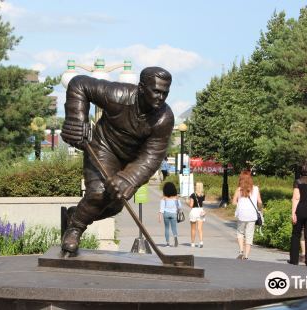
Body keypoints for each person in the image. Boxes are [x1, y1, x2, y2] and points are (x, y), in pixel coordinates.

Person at [60, 67, 174, 255]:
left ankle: (75, 215)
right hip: (104, 147)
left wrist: (130, 178)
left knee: (115, 205)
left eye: (165, 93)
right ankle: (75, 228)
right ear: (141, 87)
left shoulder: (164, 118)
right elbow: (79, 84)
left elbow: (153, 155)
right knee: (99, 192)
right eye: (156, 91)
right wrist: (77, 118)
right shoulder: (117, 94)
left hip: (131, 161)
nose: (161, 97)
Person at [232, 171, 263, 260]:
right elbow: (259, 202)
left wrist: (239, 203)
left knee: (240, 232)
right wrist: (261, 210)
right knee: (249, 235)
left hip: (241, 214)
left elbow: (234, 202)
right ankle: (246, 256)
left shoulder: (239, 189)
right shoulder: (256, 189)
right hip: (252, 214)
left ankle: (241, 251)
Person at [158, 182, 180, 247]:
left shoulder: (164, 198)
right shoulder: (176, 198)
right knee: (174, 227)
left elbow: (161, 208)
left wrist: (160, 216)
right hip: (173, 214)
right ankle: (175, 238)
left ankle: (167, 243)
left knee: (167, 228)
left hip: (166, 214)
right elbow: (179, 206)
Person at [189, 182, 206, 248]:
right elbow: (203, 204)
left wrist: (187, 202)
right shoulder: (203, 195)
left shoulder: (193, 195)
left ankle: (193, 243)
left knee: (193, 228)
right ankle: (201, 242)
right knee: (200, 228)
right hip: (201, 211)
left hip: (194, 211)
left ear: (196, 187)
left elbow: (191, 205)